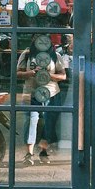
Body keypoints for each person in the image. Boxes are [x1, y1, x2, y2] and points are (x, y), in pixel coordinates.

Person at [17, 37, 66, 165]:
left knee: (48, 123)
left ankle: (43, 151)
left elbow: (63, 76)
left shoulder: (55, 56)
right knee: (31, 121)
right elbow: (18, 73)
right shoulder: (26, 54)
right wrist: (32, 73)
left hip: (51, 93)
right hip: (31, 93)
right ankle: (29, 153)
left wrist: (49, 75)